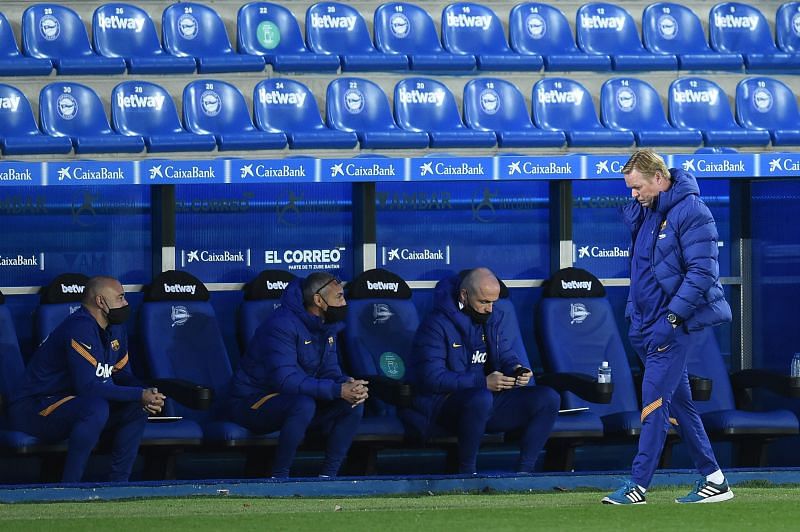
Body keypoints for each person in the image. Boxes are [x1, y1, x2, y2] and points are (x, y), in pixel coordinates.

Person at [602, 150, 734, 505]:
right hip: (644, 325)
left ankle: (638, 485)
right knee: (680, 407)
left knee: (654, 404)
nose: (633, 195)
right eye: (629, 189)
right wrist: (634, 312)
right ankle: (714, 478)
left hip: (671, 327)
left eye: (637, 187)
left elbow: (702, 273)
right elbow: (641, 269)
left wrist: (672, 318)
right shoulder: (646, 212)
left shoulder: (693, 212)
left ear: (659, 179)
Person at [10, 276, 165, 483]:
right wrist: (139, 394)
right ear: (100, 301)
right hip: (35, 407)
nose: (126, 303)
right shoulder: (79, 327)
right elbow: (88, 388)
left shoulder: (115, 328)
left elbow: (119, 374)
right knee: (96, 407)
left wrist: (150, 394)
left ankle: (119, 486)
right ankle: (70, 489)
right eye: (120, 298)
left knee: (136, 407)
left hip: (73, 405)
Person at [407, 267, 560, 475]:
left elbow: (505, 353)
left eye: (493, 302)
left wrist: (516, 369)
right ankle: (467, 474)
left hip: (486, 400)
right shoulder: (435, 324)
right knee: (480, 397)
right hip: (443, 406)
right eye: (484, 302)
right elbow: (432, 378)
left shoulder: (493, 318)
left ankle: (525, 475)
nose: (490, 308)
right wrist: (482, 382)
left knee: (548, 397)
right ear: (464, 295)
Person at [222, 272, 367, 478]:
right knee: (303, 404)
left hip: (296, 399)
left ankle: (328, 478)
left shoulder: (327, 326)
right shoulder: (281, 325)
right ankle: (280, 477)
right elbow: (285, 381)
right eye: (339, 297)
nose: (344, 303)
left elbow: (329, 371)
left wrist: (347, 384)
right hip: (252, 402)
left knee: (354, 401)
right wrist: (337, 390)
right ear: (318, 300)